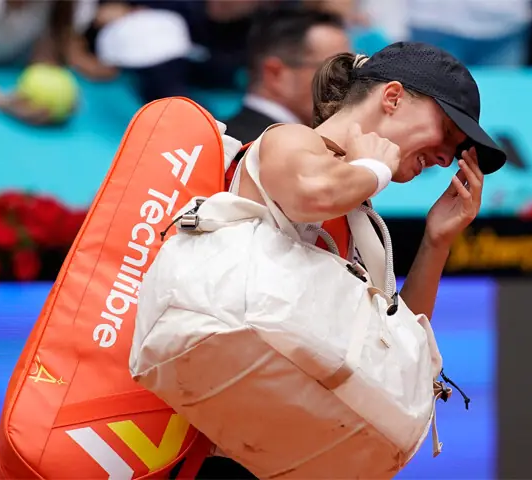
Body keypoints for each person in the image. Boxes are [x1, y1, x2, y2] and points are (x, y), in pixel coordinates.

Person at [169, 41, 505, 479]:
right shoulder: (289, 140)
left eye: (455, 149)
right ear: (392, 97)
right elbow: (311, 196)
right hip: (206, 452)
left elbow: (399, 351)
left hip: (275, 453)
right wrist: (373, 169)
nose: (446, 158)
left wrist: (437, 240)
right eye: (446, 131)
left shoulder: (362, 218)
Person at [224, 5, 349, 144]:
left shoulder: (219, 139)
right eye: (336, 68)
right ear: (275, 74)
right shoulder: (273, 152)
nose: (348, 81)